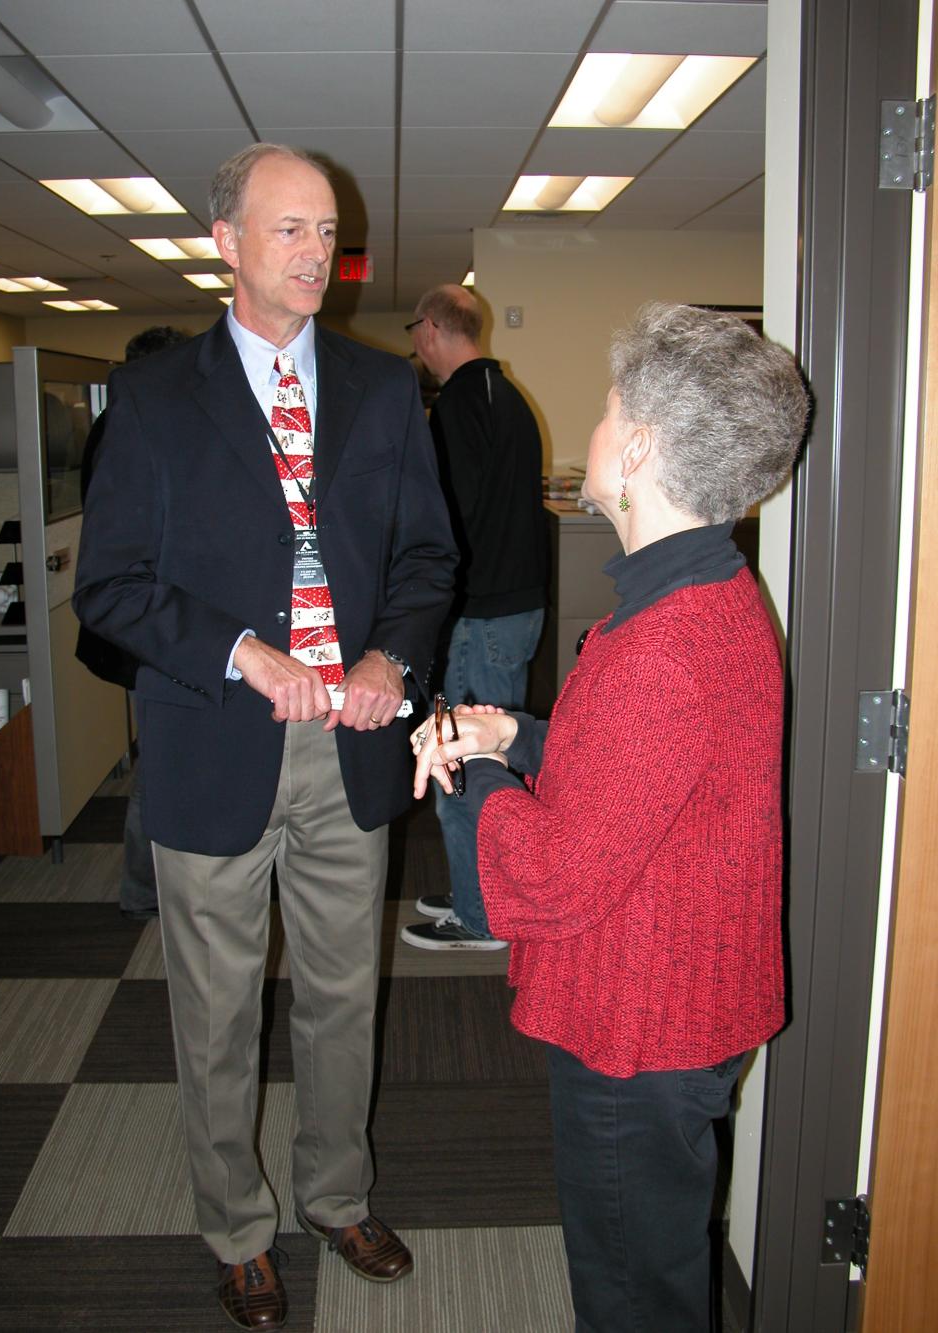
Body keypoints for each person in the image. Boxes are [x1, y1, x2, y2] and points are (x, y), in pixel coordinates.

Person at [73, 143, 457, 1332]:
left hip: (348, 743)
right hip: (212, 740)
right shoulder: (152, 399)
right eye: (285, 229)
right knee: (218, 1007)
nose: (314, 254)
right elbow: (113, 587)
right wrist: (247, 653)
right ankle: (236, 1225)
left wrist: (391, 656)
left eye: (326, 230)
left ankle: (336, 1195)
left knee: (345, 995)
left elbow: (425, 560)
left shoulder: (386, 390)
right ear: (225, 243)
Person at [410, 303, 809, 1333]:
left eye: (605, 408)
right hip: (682, 999)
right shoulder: (712, 594)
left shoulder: (660, 647)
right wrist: (518, 738)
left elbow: (546, 878)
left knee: (635, 1298)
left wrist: (473, 769)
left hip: (641, 1026)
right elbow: (647, 788)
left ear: (634, 449)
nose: (589, 427)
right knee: (659, 1269)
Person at [402, 285, 546, 950]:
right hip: (514, 609)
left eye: (415, 330)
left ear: (431, 328)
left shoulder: (458, 404)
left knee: (459, 762)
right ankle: (479, 893)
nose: (415, 344)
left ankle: (483, 916)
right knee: (491, 760)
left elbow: (447, 526)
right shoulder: (508, 398)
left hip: (482, 617)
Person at [75, 324, 192, 921]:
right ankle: (145, 891)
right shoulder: (130, 429)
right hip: (145, 625)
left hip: (152, 624)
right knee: (159, 762)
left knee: (158, 757)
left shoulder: (123, 424)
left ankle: (151, 886)